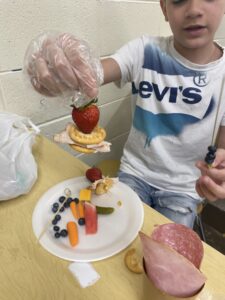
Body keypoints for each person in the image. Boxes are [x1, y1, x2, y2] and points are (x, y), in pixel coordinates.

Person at [25, 0, 225, 228]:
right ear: (164, 8)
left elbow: (221, 150)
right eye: (178, 0)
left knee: (166, 253)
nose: (194, 10)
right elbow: (93, 73)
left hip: (184, 189)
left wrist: (219, 171)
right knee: (115, 236)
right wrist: (62, 68)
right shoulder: (144, 51)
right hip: (135, 174)